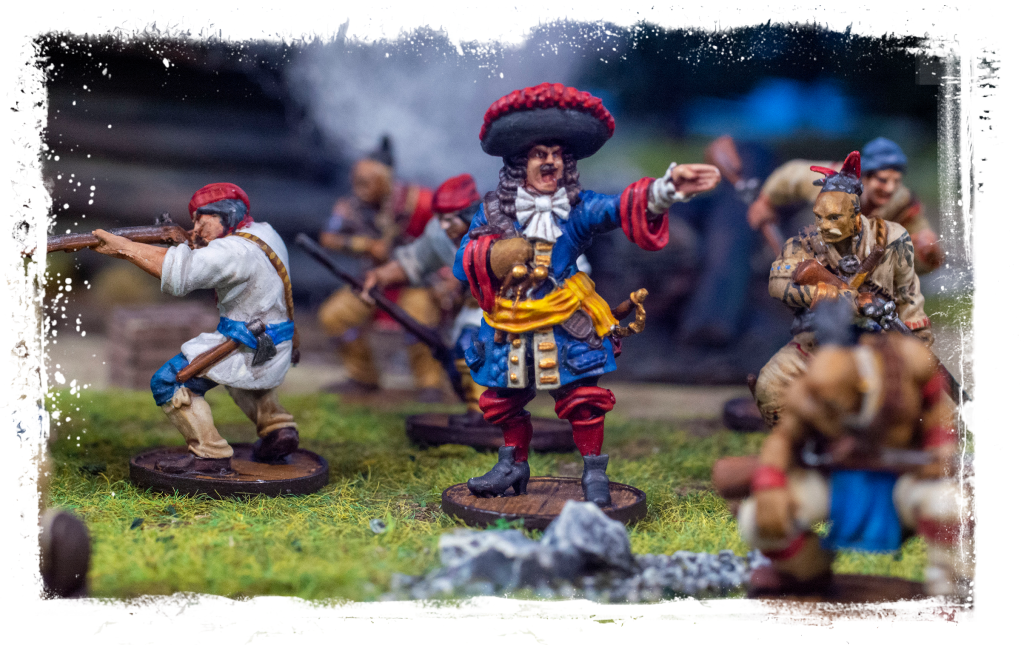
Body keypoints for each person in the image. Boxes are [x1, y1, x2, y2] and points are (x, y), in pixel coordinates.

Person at [453, 83, 721, 505]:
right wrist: (495, 255)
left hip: (566, 323)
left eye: (558, 155)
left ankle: (594, 472)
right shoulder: (491, 213)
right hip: (510, 324)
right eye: (540, 154)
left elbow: (618, 208)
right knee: (503, 399)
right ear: (520, 163)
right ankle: (512, 465)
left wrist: (665, 189)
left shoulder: (578, 209)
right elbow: (461, 262)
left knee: (583, 402)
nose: (551, 163)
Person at [738, 300, 975, 609]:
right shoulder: (810, 392)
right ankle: (803, 572)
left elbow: (938, 412)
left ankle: (953, 593)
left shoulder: (909, 363)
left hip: (904, 478)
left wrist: (940, 448)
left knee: (948, 502)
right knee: (756, 517)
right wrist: (769, 484)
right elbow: (783, 440)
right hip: (835, 483)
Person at [91, 182, 299, 474]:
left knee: (169, 382)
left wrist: (124, 248)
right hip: (274, 341)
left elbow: (180, 275)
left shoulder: (232, 250)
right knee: (241, 378)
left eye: (203, 220)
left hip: (246, 341)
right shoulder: (264, 232)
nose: (197, 228)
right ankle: (278, 428)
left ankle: (209, 454)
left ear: (226, 216)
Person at [753, 151, 932, 427]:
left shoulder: (893, 239)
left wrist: (917, 339)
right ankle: (802, 442)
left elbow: (909, 297)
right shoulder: (803, 244)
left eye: (834, 218)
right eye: (820, 217)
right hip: (819, 337)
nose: (824, 227)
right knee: (770, 386)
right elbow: (779, 284)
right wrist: (822, 295)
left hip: (878, 342)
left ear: (855, 216)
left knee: (893, 397)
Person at [315, 136, 444, 400]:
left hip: (416, 281)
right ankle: (363, 376)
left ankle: (430, 384)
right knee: (335, 316)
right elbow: (328, 237)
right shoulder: (351, 207)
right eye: (356, 181)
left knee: (420, 321)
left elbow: (448, 237)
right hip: (374, 281)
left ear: (384, 180)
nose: (359, 188)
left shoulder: (419, 202)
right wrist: (365, 245)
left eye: (366, 182)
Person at [359, 173, 489, 421]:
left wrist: (461, 279)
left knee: (480, 353)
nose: (444, 225)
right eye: (440, 218)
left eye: (450, 219)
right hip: (471, 309)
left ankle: (487, 413)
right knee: (460, 358)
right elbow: (414, 260)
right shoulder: (440, 234)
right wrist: (380, 275)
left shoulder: (494, 233)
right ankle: (479, 411)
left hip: (507, 307)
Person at [747, 137, 946, 274]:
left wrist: (929, 254)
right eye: (883, 180)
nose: (890, 188)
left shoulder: (903, 203)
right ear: (865, 176)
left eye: (896, 181)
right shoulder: (834, 183)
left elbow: (918, 257)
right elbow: (791, 175)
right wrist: (766, 201)